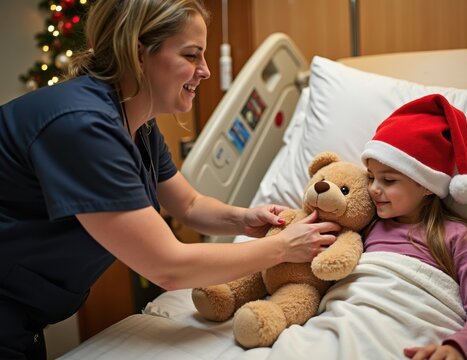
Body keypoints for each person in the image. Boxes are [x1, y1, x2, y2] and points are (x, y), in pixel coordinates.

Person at [0, 0, 340, 358]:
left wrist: (244, 218)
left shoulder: (137, 125)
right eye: (192, 56)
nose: (205, 71)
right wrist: (282, 248)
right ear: (138, 53)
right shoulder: (82, 126)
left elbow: (189, 205)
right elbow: (168, 267)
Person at [360, 94, 467, 360]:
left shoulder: (458, 237)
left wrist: (457, 349)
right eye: (370, 177)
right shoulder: (367, 227)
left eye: (388, 180)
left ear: (426, 185)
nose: (373, 189)